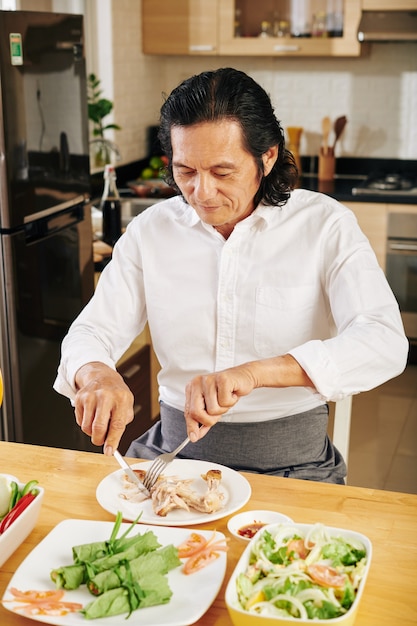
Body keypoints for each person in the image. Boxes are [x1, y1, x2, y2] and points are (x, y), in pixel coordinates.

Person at [54, 68, 408, 484]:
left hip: (294, 467)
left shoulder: (325, 225)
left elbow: (383, 340)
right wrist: (96, 373)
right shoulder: (151, 232)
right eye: (186, 171)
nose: (201, 192)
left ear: (267, 157)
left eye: (222, 172)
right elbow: (91, 331)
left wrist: (254, 373)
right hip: (173, 461)